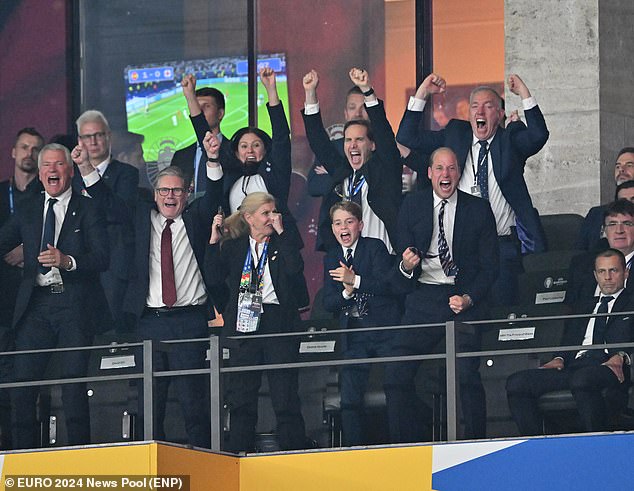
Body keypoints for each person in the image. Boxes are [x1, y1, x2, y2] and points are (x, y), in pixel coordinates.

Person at [396, 73, 549, 306]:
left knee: (500, 314)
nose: (480, 112)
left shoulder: (509, 141)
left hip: (501, 247)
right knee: (464, 317)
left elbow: (538, 135)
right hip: (462, 249)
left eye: (488, 107)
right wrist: (422, 93)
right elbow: (407, 136)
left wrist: (524, 94)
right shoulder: (456, 134)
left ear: (499, 115)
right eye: (475, 106)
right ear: (468, 115)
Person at [384, 147, 499, 443]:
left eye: (451, 169)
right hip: (424, 298)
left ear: (458, 173)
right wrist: (406, 267)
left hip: (464, 299)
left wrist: (470, 298)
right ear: (429, 173)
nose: (445, 175)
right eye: (439, 169)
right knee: (395, 373)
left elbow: (490, 268)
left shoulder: (478, 209)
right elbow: (401, 270)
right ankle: (407, 445)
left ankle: (475, 444)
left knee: (465, 374)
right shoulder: (412, 205)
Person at [0, 143, 109, 449]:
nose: (52, 170)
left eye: (59, 165)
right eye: (46, 165)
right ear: (39, 172)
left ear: (70, 171)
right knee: (21, 384)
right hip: (36, 306)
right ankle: (21, 458)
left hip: (74, 304)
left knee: (73, 384)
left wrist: (67, 261)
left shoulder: (87, 209)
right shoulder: (29, 209)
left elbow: (102, 258)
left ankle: (78, 458)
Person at [123, 151, 223, 447]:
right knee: (150, 404)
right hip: (149, 323)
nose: (170, 196)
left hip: (189, 322)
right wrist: (86, 168)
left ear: (187, 192)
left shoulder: (196, 219)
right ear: (154, 195)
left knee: (194, 402)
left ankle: (204, 465)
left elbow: (215, 191)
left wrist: (214, 161)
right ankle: (153, 469)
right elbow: (109, 202)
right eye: (164, 190)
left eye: (176, 190)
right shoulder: (141, 220)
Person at [205, 192, 308, 453]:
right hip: (245, 322)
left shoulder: (283, 241)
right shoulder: (234, 247)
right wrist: (213, 241)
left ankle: (293, 453)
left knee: (285, 397)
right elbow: (213, 280)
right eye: (266, 213)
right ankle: (239, 454)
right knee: (242, 398)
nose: (272, 218)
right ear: (249, 218)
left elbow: (295, 270)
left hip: (278, 322)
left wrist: (283, 234)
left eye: (274, 212)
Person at [506, 248, 633, 435]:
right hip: (573, 366)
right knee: (517, 383)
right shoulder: (583, 305)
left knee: (582, 379)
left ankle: (595, 443)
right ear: (595, 275)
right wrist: (559, 357)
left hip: (609, 366)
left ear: (626, 273)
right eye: (602, 271)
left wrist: (622, 355)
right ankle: (538, 445)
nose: (607, 277)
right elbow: (568, 339)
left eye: (613, 271)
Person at [189, 68, 302, 247]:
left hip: (276, 249)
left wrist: (271, 90)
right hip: (237, 251)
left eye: (256, 145)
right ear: (236, 152)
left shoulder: (275, 173)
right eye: (244, 146)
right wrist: (190, 98)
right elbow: (206, 138)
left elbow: (281, 137)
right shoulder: (230, 174)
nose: (250, 150)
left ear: (265, 151)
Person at [322, 201, 400, 446]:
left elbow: (387, 286)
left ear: (360, 225)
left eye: (348, 221)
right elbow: (329, 303)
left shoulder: (374, 248)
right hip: (353, 333)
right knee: (350, 398)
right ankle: (353, 451)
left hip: (382, 330)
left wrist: (354, 280)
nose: (343, 227)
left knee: (396, 388)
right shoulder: (331, 258)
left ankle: (401, 446)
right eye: (337, 223)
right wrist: (346, 292)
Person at [302, 68, 403, 253]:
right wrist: (310, 93)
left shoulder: (386, 170)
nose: (353, 145)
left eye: (359, 139)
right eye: (348, 140)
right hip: (347, 259)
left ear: (372, 145)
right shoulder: (343, 172)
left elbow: (384, 135)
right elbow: (318, 141)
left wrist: (367, 90)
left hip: (383, 258)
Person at [74, 111, 139, 334]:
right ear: (79, 141)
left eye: (98, 135)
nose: (93, 142)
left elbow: (118, 212)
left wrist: (88, 173)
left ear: (108, 136)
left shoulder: (127, 174)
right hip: (77, 266)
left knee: (113, 335)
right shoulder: (70, 178)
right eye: (87, 137)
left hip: (113, 269)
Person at [0, 127, 45, 449]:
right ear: (13, 152)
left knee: (28, 387)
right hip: (3, 300)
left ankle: (27, 454)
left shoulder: (50, 195)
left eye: (35, 149)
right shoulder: (1, 194)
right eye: (24, 147)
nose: (29, 154)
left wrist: (30, 251)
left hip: (36, 304)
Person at [567, 199, 634, 306]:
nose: (619, 230)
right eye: (612, 224)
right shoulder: (581, 265)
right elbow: (570, 310)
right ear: (603, 231)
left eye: (627, 223)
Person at [170, 81, 232, 196]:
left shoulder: (234, 151)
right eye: (196, 107)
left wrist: (190, 96)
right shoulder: (181, 156)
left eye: (206, 106)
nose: (200, 111)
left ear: (220, 114)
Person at [577, 147, 634, 251]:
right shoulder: (596, 213)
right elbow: (580, 252)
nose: (621, 170)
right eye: (618, 166)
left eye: (629, 165)